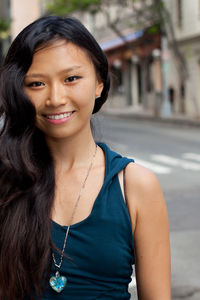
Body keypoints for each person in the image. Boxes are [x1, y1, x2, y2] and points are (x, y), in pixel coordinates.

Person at [0, 16, 171, 300]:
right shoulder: (6, 178)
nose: (55, 98)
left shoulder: (136, 186)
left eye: (71, 79)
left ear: (99, 84)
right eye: (36, 84)